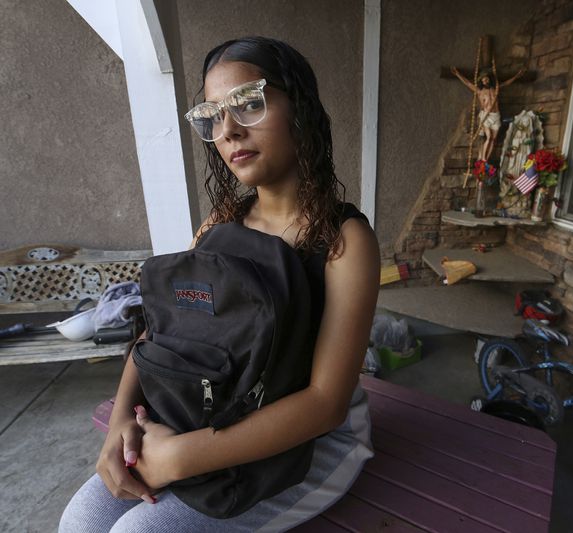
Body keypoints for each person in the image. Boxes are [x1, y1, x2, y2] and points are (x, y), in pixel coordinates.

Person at [59, 36, 380, 532]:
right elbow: (161, 333)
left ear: (300, 108)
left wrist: (181, 458)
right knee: (81, 519)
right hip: (209, 416)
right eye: (212, 114)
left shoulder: (343, 241)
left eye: (249, 103)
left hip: (309, 444)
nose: (228, 129)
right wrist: (122, 419)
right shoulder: (218, 228)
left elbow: (324, 404)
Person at [450, 66, 526, 161]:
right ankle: (483, 159)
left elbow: (507, 83)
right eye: (483, 80)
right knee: (489, 137)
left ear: (489, 80)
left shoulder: (496, 88)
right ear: (481, 82)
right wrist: (458, 74)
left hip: (496, 115)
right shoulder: (479, 91)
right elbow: (468, 83)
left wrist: (516, 76)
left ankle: (485, 161)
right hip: (486, 116)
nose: (485, 81)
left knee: (493, 140)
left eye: (486, 79)